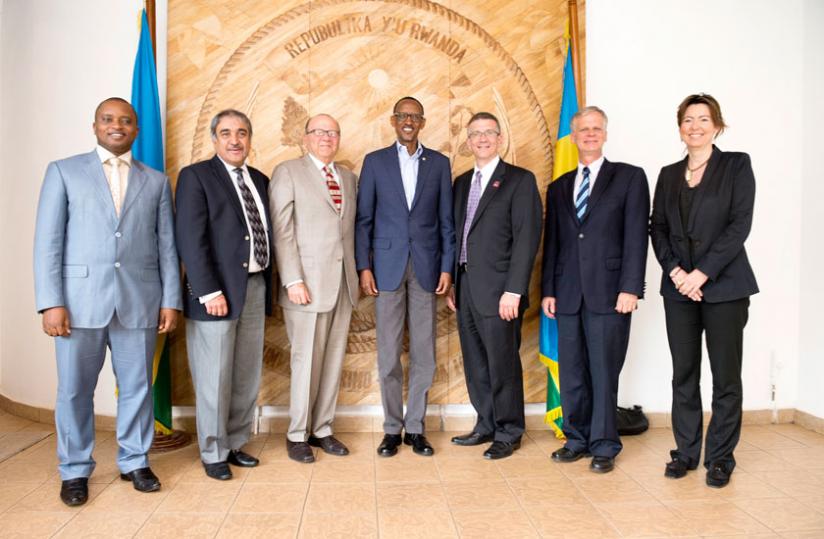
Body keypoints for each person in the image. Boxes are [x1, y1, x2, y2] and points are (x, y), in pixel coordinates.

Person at [33, 97, 181, 506]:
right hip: (78, 304)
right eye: (108, 119)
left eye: (126, 121)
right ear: (95, 125)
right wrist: (50, 302)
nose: (117, 126)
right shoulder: (64, 172)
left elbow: (166, 246)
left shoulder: (155, 181)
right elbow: (48, 242)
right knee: (74, 391)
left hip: (141, 300)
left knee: (136, 388)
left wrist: (170, 300)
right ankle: (75, 469)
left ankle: (135, 461)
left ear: (136, 130)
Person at [650, 93, 758, 488]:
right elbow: (657, 228)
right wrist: (678, 273)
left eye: (703, 119)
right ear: (680, 127)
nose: (695, 126)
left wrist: (702, 274)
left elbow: (738, 226)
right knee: (684, 373)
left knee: (725, 376)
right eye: (688, 120)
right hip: (678, 290)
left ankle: (720, 457)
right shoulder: (667, 174)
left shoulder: (736, 165)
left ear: (717, 125)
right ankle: (686, 452)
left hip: (725, 288)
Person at [541, 106, 650, 474]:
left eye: (596, 128)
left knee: (603, 371)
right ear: (573, 137)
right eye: (583, 129)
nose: (589, 134)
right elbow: (553, 242)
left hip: (610, 293)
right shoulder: (558, 187)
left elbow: (637, 236)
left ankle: (605, 444)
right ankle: (577, 439)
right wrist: (548, 290)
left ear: (605, 134)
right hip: (568, 294)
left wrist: (631, 287)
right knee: (573, 371)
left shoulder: (629, 178)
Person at [175, 109, 273, 480]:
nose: (235, 140)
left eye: (242, 133)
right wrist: (207, 290)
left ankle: (235, 442)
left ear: (250, 138)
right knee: (214, 374)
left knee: (245, 372)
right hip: (216, 292)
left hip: (256, 285)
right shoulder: (197, 176)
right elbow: (190, 237)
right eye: (227, 133)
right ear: (214, 139)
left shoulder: (260, 180)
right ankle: (213, 450)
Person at [356, 97, 455, 458]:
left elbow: (447, 221)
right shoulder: (375, 162)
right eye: (403, 116)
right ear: (393, 121)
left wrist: (447, 267)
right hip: (386, 268)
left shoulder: (440, 164)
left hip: (427, 268)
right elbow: (363, 219)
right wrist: (364, 267)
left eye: (414, 116)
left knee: (425, 353)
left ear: (423, 122)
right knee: (388, 353)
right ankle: (391, 429)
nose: (408, 121)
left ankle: (416, 428)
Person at [446, 112, 542, 459]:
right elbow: (457, 236)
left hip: (502, 291)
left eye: (488, 133)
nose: (482, 139)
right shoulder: (460, 183)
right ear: (468, 141)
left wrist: (514, 290)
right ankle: (486, 423)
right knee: (476, 362)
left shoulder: (519, 180)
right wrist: (455, 282)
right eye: (475, 134)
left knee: (502, 362)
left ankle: (509, 430)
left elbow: (527, 238)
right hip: (467, 286)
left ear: (500, 139)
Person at [270, 114, 359, 463]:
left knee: (332, 361)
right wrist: (292, 279)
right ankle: (297, 434)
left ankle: (322, 429)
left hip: (342, 286)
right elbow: (282, 229)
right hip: (304, 285)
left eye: (333, 132)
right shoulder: (288, 172)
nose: (326, 137)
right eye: (319, 132)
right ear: (305, 138)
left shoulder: (349, 178)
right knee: (305, 360)